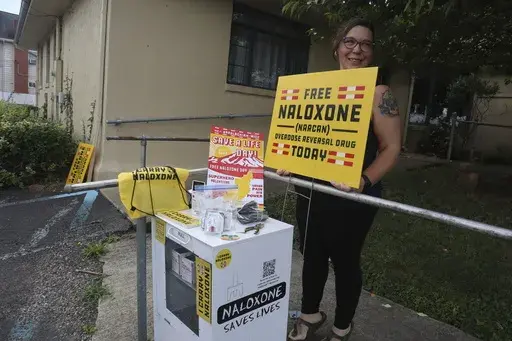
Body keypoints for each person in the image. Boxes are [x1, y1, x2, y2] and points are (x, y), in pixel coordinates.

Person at [279, 18, 402, 341]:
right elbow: (305, 135)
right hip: (312, 189)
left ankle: (342, 328)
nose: (357, 49)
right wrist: (288, 161)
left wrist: (364, 180)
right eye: (350, 41)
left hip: (354, 195)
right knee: (312, 254)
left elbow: (391, 148)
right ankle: (310, 314)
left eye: (365, 44)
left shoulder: (378, 93)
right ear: (337, 47)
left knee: (346, 261)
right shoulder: (317, 89)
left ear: (372, 52)